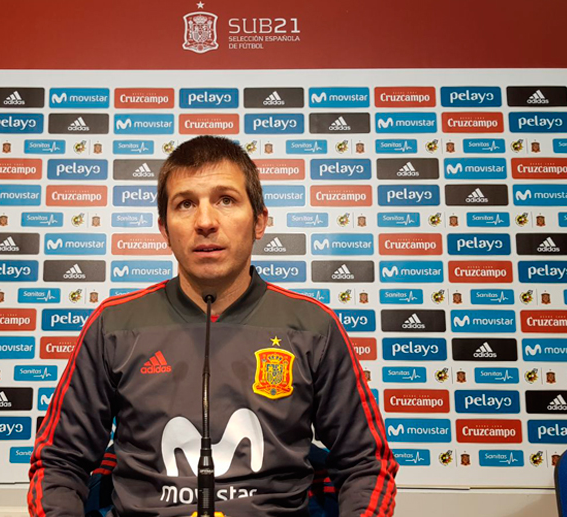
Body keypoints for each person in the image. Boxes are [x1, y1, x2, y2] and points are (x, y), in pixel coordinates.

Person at [29, 135, 397, 516]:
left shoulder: (313, 327)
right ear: (163, 228)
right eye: (185, 204)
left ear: (259, 221)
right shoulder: (115, 325)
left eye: (226, 199)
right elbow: (59, 461)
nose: (205, 222)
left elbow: (366, 464)